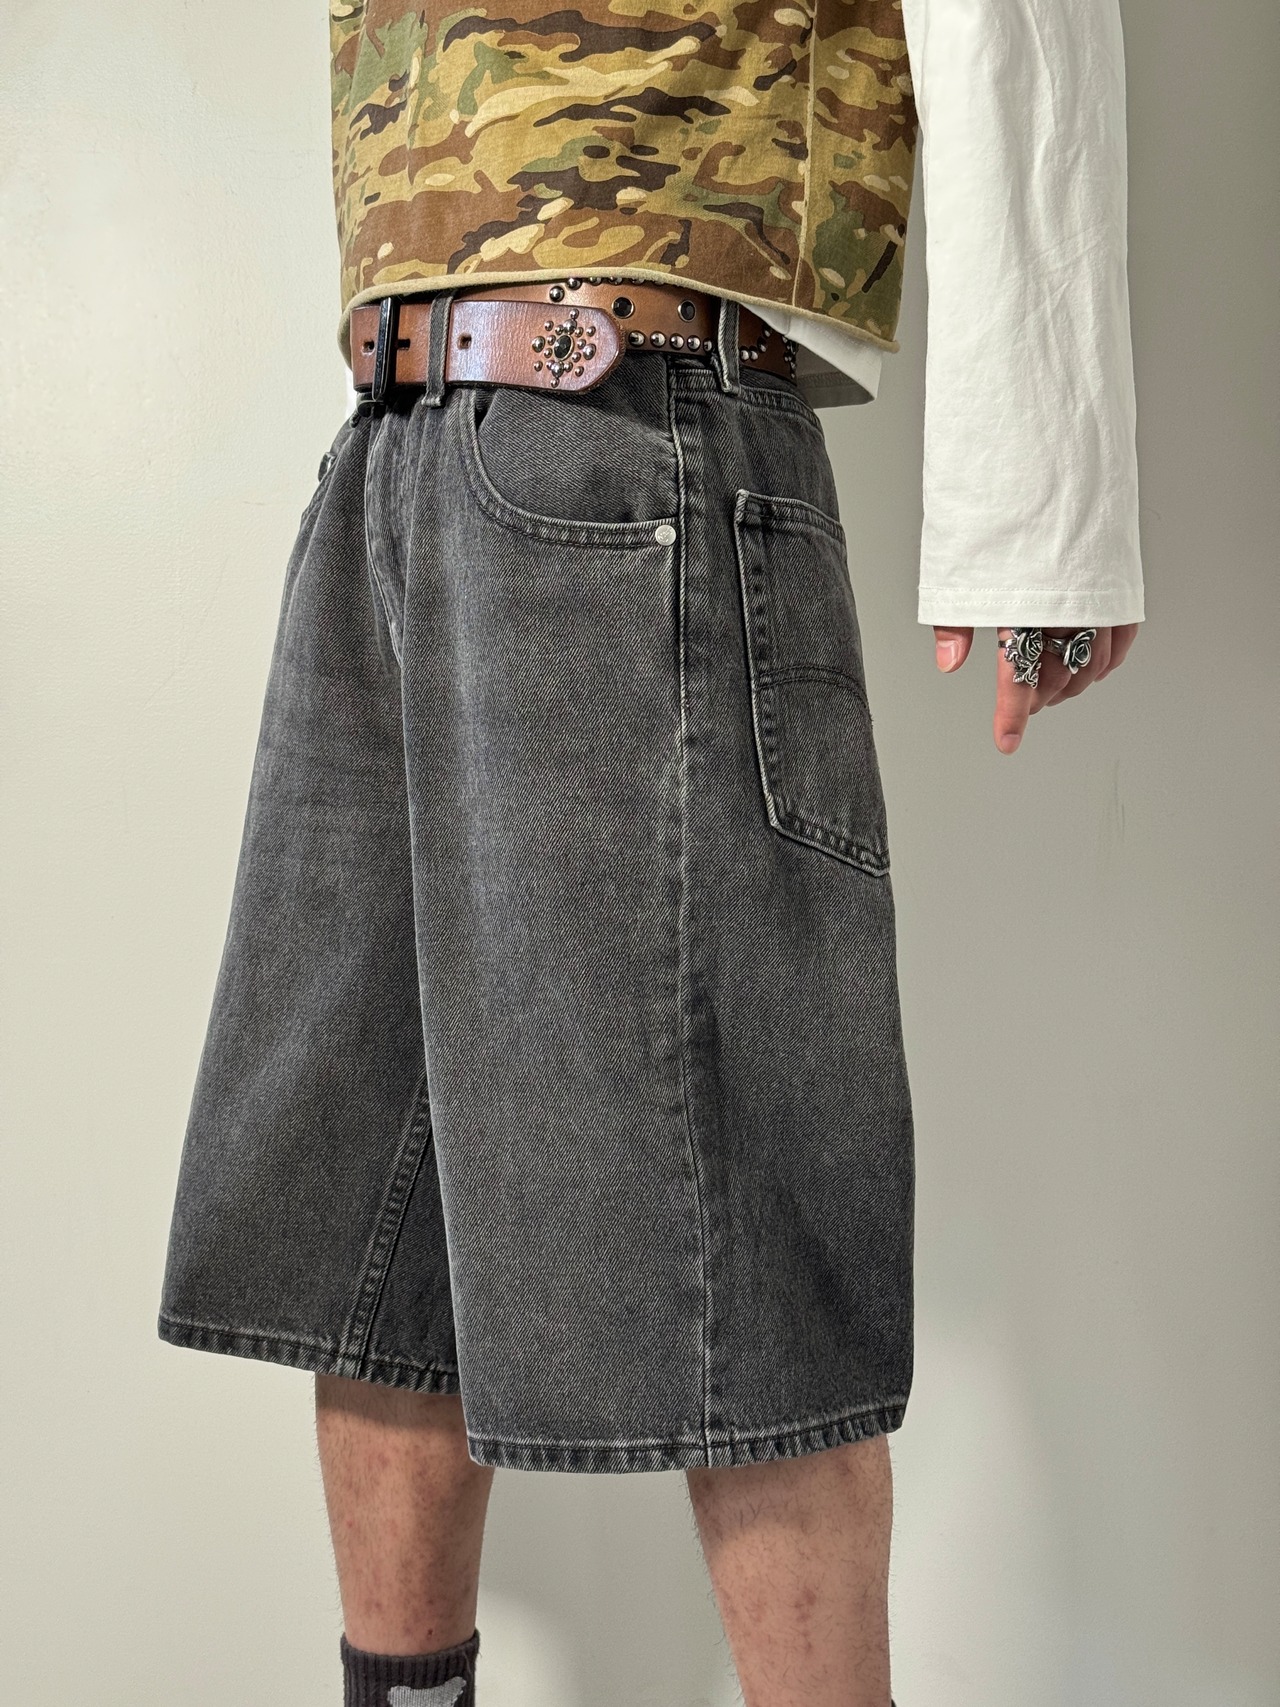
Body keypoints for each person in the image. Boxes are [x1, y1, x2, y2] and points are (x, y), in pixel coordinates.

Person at [157, 0, 1143, 1701]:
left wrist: (1043, 509)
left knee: (749, 1268)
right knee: (377, 1245)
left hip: (631, 428)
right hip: (396, 440)